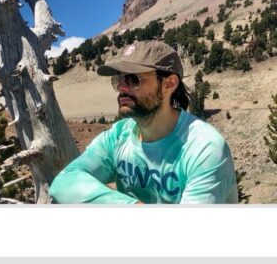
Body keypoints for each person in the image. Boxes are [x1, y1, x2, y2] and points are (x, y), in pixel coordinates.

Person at [50, 40, 237, 204]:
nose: (121, 87)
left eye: (133, 79)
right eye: (119, 79)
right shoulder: (118, 135)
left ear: (169, 84)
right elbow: (63, 183)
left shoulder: (204, 147)